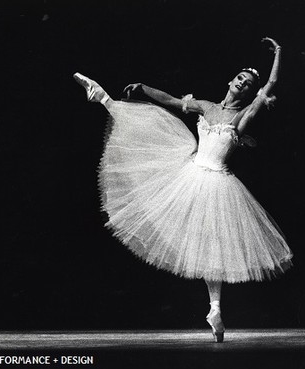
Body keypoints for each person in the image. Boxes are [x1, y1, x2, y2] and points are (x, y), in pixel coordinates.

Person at [73, 37, 292, 343]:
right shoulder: (206, 106)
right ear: (230, 82)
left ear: (250, 92)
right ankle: (104, 98)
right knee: (155, 130)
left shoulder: (244, 115)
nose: (242, 84)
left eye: (248, 83)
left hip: (217, 183)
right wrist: (143, 88)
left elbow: (272, 82)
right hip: (191, 173)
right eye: (240, 78)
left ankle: (215, 309)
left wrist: (279, 53)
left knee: (212, 249)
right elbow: (173, 102)